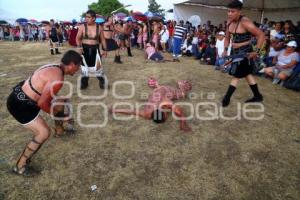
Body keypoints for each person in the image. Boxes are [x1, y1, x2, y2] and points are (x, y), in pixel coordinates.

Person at [6, 50, 82, 176]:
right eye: (78, 66)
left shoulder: (53, 67)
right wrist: (61, 117)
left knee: (60, 101)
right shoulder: (58, 78)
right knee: (44, 132)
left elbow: (42, 91)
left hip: (19, 96)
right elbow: (42, 103)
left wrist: (58, 106)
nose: (78, 70)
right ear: (72, 64)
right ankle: (20, 166)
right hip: (20, 105)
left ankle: (60, 131)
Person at [221, 0, 265, 107]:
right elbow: (227, 38)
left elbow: (261, 35)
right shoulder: (229, 22)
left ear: (239, 12)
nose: (229, 14)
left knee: (236, 74)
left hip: (245, 53)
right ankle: (258, 95)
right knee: (247, 74)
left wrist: (256, 51)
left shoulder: (245, 22)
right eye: (228, 11)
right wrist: (225, 49)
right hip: (234, 52)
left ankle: (226, 98)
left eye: (232, 11)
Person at [111, 78, 192, 132]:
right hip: (156, 92)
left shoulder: (165, 102)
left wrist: (183, 124)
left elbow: (180, 112)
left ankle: (180, 83)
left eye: (166, 116)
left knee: (183, 94)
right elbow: (132, 112)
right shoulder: (147, 114)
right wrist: (115, 110)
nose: (167, 116)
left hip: (165, 90)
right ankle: (157, 85)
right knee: (159, 91)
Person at [76, 10, 107, 90]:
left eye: (88, 17)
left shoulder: (99, 27)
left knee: (98, 68)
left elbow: (103, 40)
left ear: (93, 18)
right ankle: (84, 83)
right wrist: (79, 47)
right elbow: (78, 38)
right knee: (84, 68)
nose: (86, 19)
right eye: (86, 17)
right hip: (84, 49)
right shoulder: (82, 27)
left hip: (95, 49)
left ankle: (102, 82)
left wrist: (105, 50)